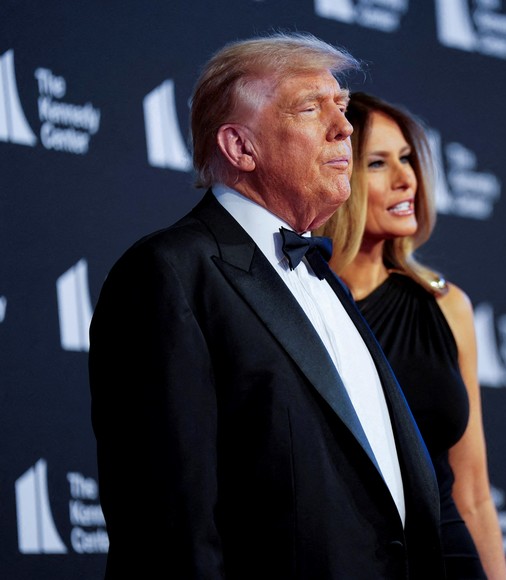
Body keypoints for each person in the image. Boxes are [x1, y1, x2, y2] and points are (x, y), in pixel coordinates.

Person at [89, 34, 445, 579]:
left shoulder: (325, 278)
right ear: (240, 148)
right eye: (311, 107)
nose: (344, 127)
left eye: (341, 106)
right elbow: (169, 521)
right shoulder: (169, 273)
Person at [318, 93, 506, 580]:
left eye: (407, 158)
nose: (408, 179)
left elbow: (473, 493)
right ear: (337, 174)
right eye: (379, 163)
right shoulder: (304, 306)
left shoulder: (447, 305)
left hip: (449, 560)